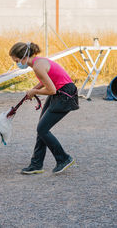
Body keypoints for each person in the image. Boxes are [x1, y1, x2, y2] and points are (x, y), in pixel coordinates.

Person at [9, 41, 79, 175]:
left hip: (64, 95)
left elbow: (51, 90)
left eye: (16, 61)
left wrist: (34, 92)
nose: (16, 63)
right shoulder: (38, 62)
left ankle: (64, 158)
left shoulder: (37, 66)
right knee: (42, 128)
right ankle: (36, 164)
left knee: (42, 128)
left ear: (23, 57)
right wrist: (33, 89)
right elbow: (45, 80)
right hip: (60, 92)